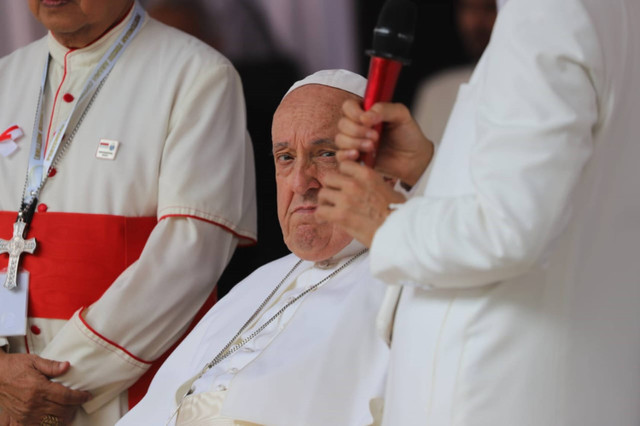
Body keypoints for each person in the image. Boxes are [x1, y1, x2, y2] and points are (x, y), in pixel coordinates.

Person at [317, 0, 640, 424]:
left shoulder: (546, 11)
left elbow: (510, 229)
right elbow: (558, 198)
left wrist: (386, 220)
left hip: (501, 393)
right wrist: (429, 170)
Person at [0, 0, 256, 424]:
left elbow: (187, 259)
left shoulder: (198, 76)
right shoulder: (5, 77)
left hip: (128, 403)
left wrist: (51, 387)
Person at [116, 69, 389, 426]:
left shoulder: (403, 285)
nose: (299, 181)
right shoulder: (259, 282)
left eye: (325, 153)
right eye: (286, 157)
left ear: (382, 167)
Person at [412, 0, 496, 144]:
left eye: (489, 8)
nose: (476, 22)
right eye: (468, 8)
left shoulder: (527, 86)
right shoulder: (435, 91)